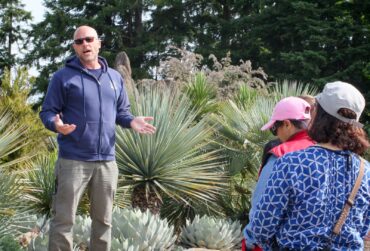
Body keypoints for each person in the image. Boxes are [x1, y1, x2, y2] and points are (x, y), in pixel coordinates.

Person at [39, 25, 156, 251]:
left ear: (98, 43)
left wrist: (132, 121)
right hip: (73, 160)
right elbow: (47, 111)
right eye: (79, 41)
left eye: (89, 39)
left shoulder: (114, 78)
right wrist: (56, 125)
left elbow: (122, 112)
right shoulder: (63, 77)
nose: (85, 44)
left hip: (106, 162)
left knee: (103, 222)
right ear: (75, 47)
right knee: (64, 220)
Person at [250, 81, 370, 250]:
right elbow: (364, 228)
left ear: (319, 115)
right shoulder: (366, 172)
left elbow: (262, 227)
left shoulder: (292, 163)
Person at [243, 96, 315, 250]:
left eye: (275, 128)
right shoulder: (324, 151)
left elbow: (261, 205)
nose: (276, 134)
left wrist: (250, 241)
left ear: (287, 124)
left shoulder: (281, 154)